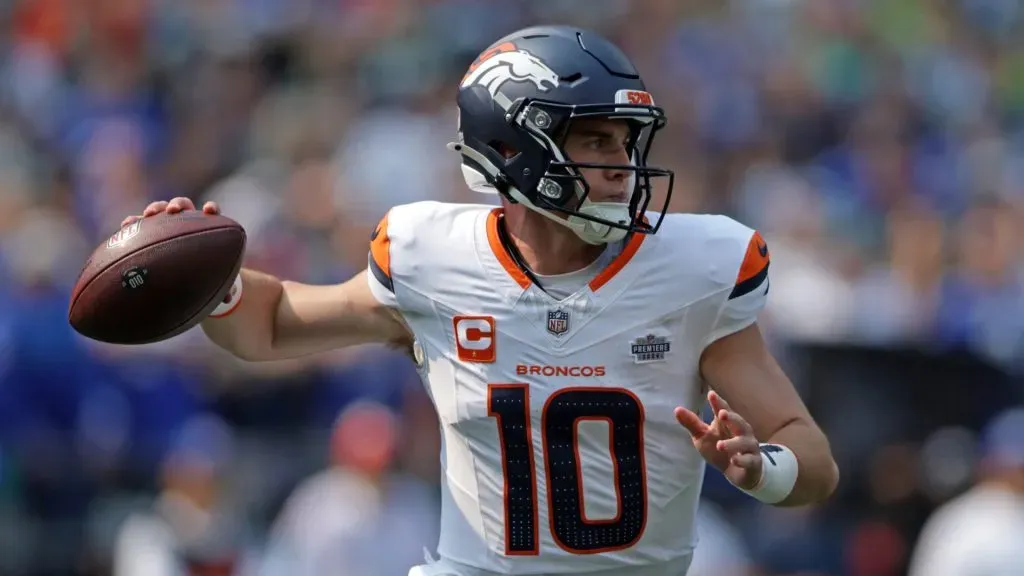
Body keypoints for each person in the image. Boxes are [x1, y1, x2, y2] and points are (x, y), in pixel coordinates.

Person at [121, 25, 838, 576]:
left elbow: (813, 460)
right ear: (513, 149)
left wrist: (760, 468)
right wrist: (203, 272)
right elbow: (272, 324)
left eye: (626, 144)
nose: (622, 167)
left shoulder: (693, 270)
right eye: (595, 142)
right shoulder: (432, 258)